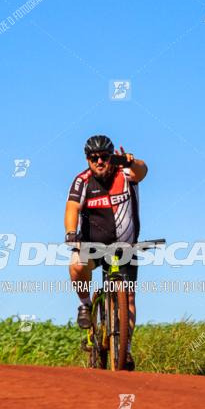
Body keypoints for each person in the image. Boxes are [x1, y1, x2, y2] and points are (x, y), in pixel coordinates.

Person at [65, 134, 148, 370]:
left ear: (111, 157)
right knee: (77, 264)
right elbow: (72, 207)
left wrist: (131, 161)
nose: (99, 162)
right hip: (92, 245)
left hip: (124, 248)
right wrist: (71, 233)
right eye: (93, 158)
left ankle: (126, 349)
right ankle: (85, 305)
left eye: (104, 157)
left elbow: (143, 170)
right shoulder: (82, 181)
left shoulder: (125, 174)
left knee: (128, 297)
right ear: (88, 160)